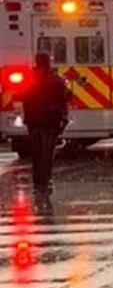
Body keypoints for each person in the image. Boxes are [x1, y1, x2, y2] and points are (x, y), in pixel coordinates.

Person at [23, 52, 69, 194]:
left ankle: (38, 182)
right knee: (47, 153)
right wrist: (63, 117)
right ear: (49, 62)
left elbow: (23, 98)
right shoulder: (56, 80)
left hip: (34, 122)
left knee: (37, 153)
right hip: (50, 121)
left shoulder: (29, 80)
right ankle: (46, 181)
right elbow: (65, 98)